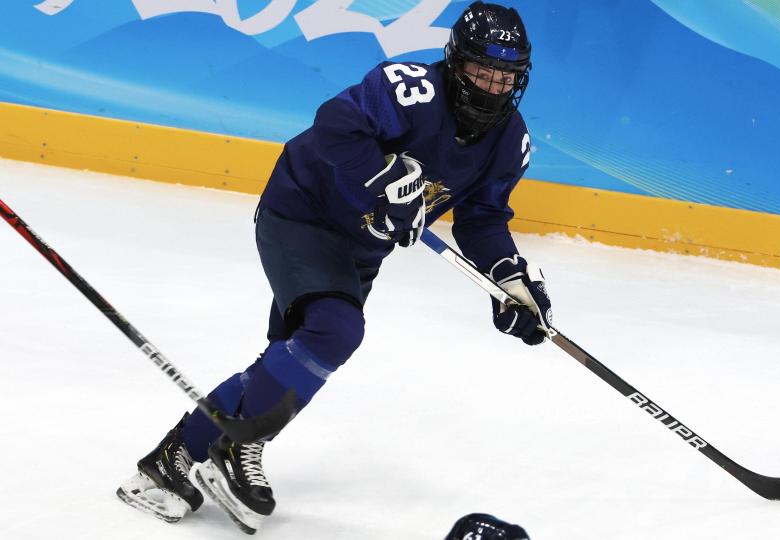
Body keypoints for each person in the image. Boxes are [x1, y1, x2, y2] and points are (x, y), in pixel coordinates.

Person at [116, 1, 553, 533]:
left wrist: (507, 278)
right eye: (481, 70)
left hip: (361, 248)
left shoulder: (511, 141)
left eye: (504, 76)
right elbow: (335, 126)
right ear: (455, 62)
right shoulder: (411, 88)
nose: (491, 86)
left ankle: (174, 462)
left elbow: (482, 220)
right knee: (333, 332)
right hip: (303, 211)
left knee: (296, 355)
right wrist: (384, 176)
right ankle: (239, 441)